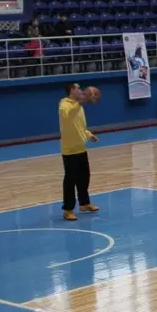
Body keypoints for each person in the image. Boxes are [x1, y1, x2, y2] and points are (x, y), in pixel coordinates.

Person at [59, 83, 99, 221]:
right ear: (72, 90)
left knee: (84, 177)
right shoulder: (64, 104)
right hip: (69, 150)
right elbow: (68, 115)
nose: (81, 90)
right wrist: (79, 103)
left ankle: (84, 203)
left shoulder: (79, 107)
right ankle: (68, 209)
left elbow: (81, 126)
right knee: (70, 181)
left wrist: (89, 135)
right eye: (78, 88)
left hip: (81, 148)